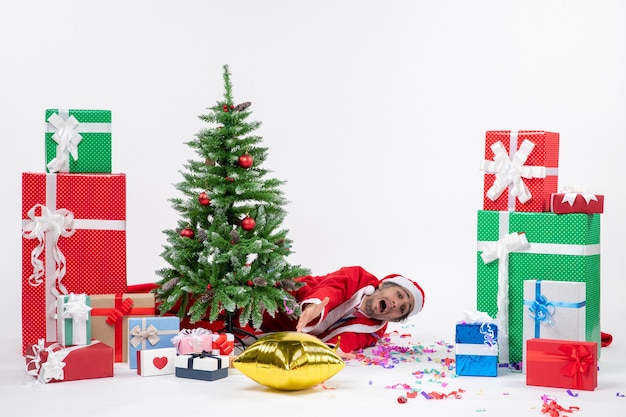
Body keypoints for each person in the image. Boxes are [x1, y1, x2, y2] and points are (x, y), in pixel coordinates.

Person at [260, 265, 425, 359]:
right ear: (383, 284)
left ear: (395, 319)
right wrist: (314, 307)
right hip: (280, 295)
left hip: (275, 329)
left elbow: (351, 340)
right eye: (399, 295)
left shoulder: (373, 331)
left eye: (403, 309)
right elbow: (333, 288)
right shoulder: (357, 276)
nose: (397, 303)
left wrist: (334, 350)